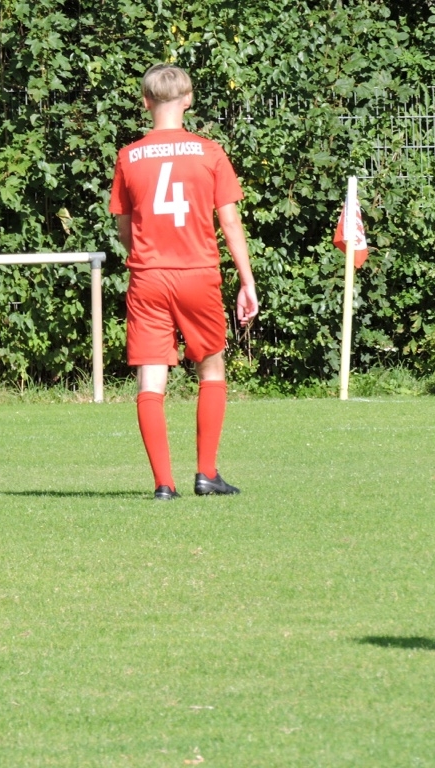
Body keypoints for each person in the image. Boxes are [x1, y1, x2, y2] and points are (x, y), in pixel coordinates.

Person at [109, 64, 259, 499]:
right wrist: (247, 281)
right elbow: (230, 222)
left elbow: (124, 228)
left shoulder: (128, 156)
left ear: (145, 102)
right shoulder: (209, 152)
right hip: (198, 274)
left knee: (150, 380)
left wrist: (144, 257)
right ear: (189, 99)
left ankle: (163, 483)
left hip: (148, 277)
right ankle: (206, 473)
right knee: (210, 367)